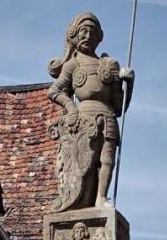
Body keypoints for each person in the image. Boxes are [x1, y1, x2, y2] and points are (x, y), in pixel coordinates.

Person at [47, 12, 134, 210]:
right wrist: (70, 107)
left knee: (107, 159)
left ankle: (101, 198)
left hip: (107, 115)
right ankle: (81, 198)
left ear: (99, 37)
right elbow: (54, 91)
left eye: (92, 33)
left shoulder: (108, 65)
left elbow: (119, 106)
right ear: (74, 36)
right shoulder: (72, 65)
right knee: (84, 163)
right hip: (84, 119)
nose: (87, 36)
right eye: (83, 32)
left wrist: (129, 84)